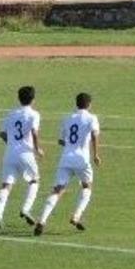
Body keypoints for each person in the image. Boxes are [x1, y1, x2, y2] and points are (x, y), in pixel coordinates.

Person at [34, 93, 101, 236]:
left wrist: (70, 144)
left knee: (57, 190)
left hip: (66, 159)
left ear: (76, 104)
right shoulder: (91, 118)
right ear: (89, 104)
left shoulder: (67, 118)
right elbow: (95, 135)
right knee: (87, 186)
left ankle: (42, 220)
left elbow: (61, 141)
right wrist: (95, 154)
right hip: (82, 159)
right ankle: (76, 216)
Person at [0, 85, 44, 229]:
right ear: (33, 99)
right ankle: (26, 209)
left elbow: (2, 133)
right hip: (26, 154)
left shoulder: (11, 114)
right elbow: (34, 132)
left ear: (19, 98)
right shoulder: (34, 114)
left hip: (10, 153)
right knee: (34, 181)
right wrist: (37, 148)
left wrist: (11, 144)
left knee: (6, 184)